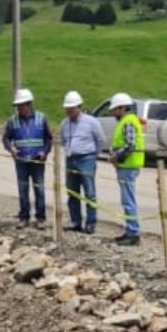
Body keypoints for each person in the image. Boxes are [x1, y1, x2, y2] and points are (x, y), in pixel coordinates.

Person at [2, 88, 53, 229]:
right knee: (23, 190)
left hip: (37, 161)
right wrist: (11, 149)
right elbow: (6, 138)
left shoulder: (41, 118)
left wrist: (45, 152)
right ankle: (24, 217)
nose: (19, 109)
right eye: (18, 106)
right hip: (21, 161)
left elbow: (49, 138)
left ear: (29, 104)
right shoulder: (12, 121)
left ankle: (40, 218)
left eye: (22, 105)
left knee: (39, 190)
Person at [60, 90, 107, 234]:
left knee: (89, 193)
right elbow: (63, 140)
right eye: (67, 109)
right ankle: (76, 221)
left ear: (79, 107)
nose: (69, 111)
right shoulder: (64, 124)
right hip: (71, 158)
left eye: (72, 108)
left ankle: (91, 223)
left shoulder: (91, 122)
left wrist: (93, 155)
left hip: (86, 158)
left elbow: (101, 140)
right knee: (72, 192)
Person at [108, 93, 145, 246]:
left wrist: (116, 156)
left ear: (122, 108)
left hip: (128, 165)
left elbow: (130, 145)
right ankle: (130, 231)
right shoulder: (126, 121)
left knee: (128, 200)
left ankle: (133, 232)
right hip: (126, 165)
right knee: (127, 199)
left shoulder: (128, 122)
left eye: (115, 109)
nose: (112, 113)